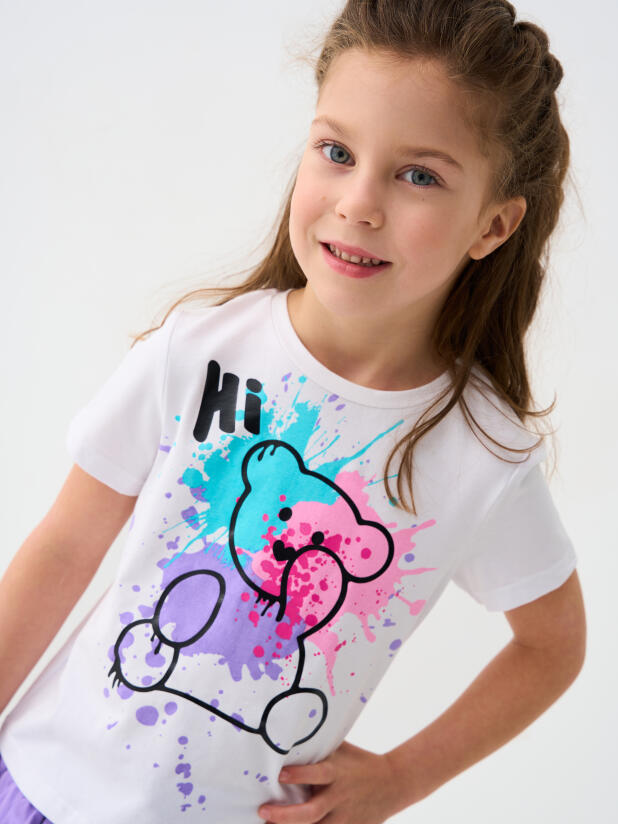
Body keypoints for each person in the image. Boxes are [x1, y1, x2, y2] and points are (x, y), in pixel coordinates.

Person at [0, 0, 587, 822]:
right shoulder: (198, 351)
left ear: (493, 224)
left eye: (419, 175)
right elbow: (64, 547)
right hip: (44, 788)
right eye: (337, 152)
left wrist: (403, 777)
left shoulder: (479, 456)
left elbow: (552, 645)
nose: (359, 203)